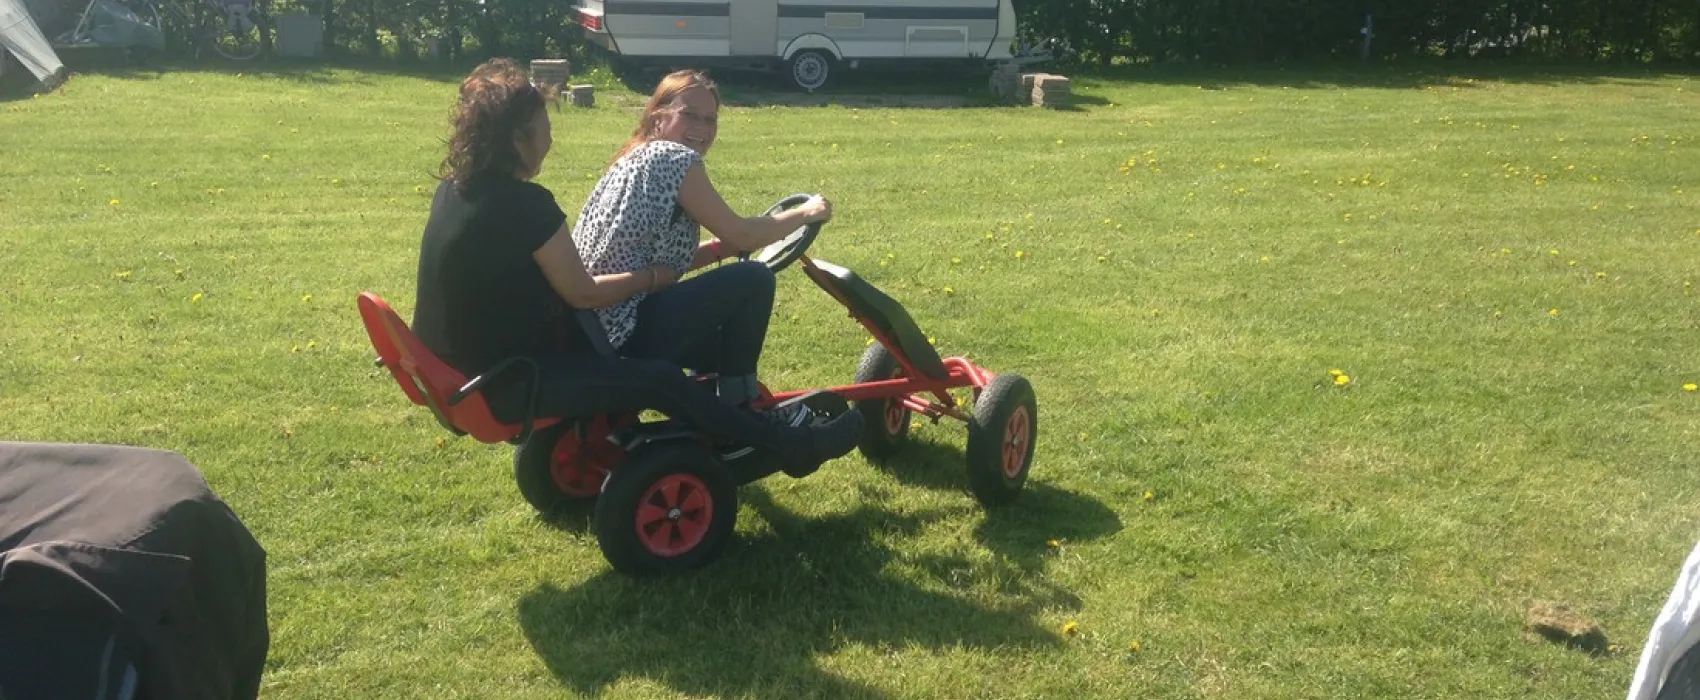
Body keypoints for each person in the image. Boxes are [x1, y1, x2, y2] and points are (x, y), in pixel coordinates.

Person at [409, 58, 862, 475]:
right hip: (515, 376)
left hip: (472, 368)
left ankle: (736, 411)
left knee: (707, 343)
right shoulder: (527, 205)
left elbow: (623, 257)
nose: (551, 138)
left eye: (711, 119)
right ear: (516, 139)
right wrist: (804, 214)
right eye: (545, 127)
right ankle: (772, 435)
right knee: (739, 295)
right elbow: (584, 291)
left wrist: (698, 258)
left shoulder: (456, 191)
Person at [570, 69, 831, 426]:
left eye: (710, 119)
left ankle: (704, 414)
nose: (702, 128)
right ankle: (741, 411)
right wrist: (807, 212)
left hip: (595, 326)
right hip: (625, 327)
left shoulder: (632, 159)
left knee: (721, 344)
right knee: (753, 279)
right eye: (689, 115)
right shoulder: (673, 160)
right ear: (658, 117)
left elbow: (652, 255)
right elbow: (743, 234)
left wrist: (719, 249)